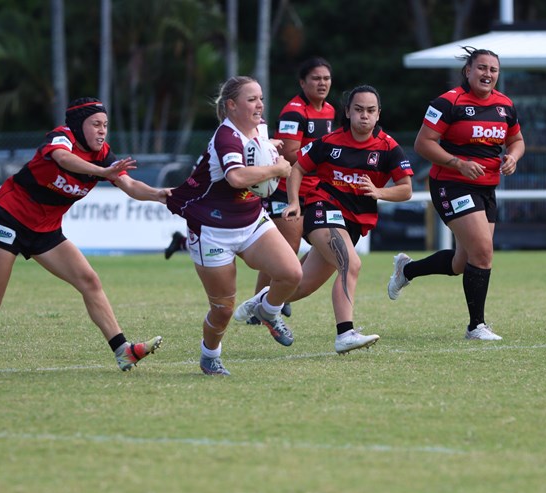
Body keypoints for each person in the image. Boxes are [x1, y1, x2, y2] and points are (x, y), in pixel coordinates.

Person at [0, 97, 166, 372]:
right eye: (95, 124)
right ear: (78, 125)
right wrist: (102, 172)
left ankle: (122, 350)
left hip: (46, 229)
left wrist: (161, 195)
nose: (102, 131)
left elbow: (130, 185)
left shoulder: (103, 156)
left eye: (105, 125)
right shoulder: (62, 138)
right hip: (10, 217)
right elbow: (63, 158)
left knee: (89, 281)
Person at [248, 85, 412, 354]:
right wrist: (294, 202)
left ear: (378, 114)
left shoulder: (388, 147)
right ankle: (345, 333)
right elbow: (297, 168)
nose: (364, 116)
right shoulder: (330, 142)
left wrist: (379, 192)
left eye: (370, 110)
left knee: (304, 286)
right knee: (351, 264)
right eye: (358, 109)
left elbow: (406, 189)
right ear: (347, 112)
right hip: (322, 208)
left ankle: (262, 304)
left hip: (354, 222)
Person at [166, 76, 302, 376]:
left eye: (260, 98)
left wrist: (269, 146)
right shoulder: (225, 137)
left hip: (251, 220)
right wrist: (277, 167)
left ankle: (266, 310)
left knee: (291, 273)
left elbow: (256, 150)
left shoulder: (259, 126)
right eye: (252, 99)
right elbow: (237, 177)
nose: (260, 104)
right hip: (212, 230)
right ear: (231, 105)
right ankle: (210, 355)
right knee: (223, 309)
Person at [387, 46, 525, 341]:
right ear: (468, 71)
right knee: (483, 253)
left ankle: (407, 271)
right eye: (482, 68)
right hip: (451, 185)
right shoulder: (448, 102)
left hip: (486, 188)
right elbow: (423, 143)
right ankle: (476, 326)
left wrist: (513, 157)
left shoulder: (505, 106)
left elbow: (517, 141)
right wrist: (458, 163)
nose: (488, 74)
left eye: (493, 69)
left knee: (463, 263)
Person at [247, 57, 335, 320]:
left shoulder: (330, 110)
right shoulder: (294, 112)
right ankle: (259, 306)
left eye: (326, 78)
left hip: (316, 190)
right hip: (287, 190)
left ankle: (276, 296)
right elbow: (289, 153)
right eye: (316, 78)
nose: (322, 83)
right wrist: (324, 159)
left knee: (322, 244)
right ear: (302, 82)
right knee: (286, 249)